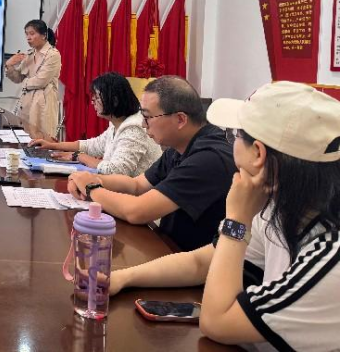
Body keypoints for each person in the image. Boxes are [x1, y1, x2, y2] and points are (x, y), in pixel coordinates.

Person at [109, 82, 340, 351]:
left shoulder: (331, 258)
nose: (229, 142)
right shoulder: (279, 211)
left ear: (258, 154)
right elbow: (200, 262)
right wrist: (122, 277)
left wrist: (236, 221)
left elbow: (216, 322)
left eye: (235, 134)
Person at [68, 75, 235, 251]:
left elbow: (137, 211)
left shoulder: (208, 158)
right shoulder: (179, 147)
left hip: (192, 259)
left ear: (180, 119)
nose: (143, 124)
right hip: (168, 246)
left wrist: (91, 188)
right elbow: (136, 185)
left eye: (147, 117)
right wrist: (93, 179)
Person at [29, 72, 161, 177]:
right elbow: (93, 145)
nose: (93, 101)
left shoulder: (134, 128)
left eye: (97, 97)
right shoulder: (117, 123)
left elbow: (115, 171)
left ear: (114, 100)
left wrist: (79, 156)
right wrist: (52, 146)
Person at [5, 19, 61, 137]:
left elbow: (41, 81)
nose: (28, 38)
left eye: (32, 34)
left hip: (43, 105)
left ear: (43, 35)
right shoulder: (29, 55)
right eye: (26, 34)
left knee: (42, 140)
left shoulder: (53, 55)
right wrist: (9, 65)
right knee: (24, 139)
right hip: (26, 105)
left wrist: (24, 82)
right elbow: (17, 78)